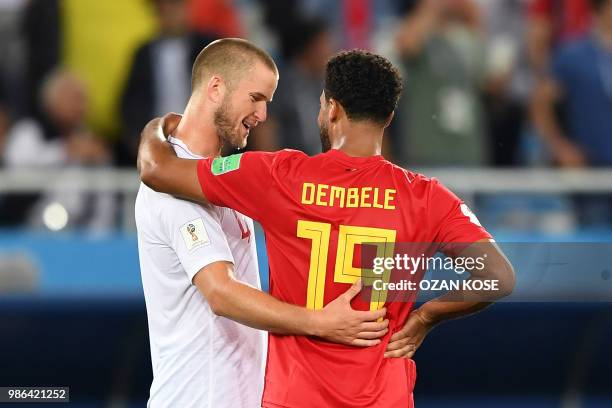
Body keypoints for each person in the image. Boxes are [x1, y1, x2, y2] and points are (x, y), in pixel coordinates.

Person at [138, 49, 515, 407]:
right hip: (383, 397)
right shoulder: (427, 198)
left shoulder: (279, 176)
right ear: (389, 118)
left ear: (332, 109)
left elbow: (159, 171)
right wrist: (426, 317)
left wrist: (158, 126)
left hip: (296, 396)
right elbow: (499, 277)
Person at [135, 39, 389, 408]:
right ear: (216, 88)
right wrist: (320, 322)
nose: (263, 114)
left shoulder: (220, 177)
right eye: (255, 98)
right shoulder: (173, 189)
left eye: (267, 101)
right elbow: (221, 294)